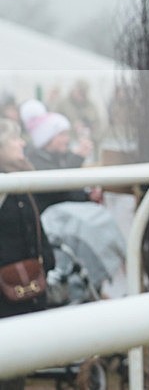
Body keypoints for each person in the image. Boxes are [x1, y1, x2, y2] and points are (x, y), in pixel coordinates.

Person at [0, 118, 56, 390]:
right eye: (15, 139)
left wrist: (47, 256)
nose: (23, 143)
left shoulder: (23, 178)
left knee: (16, 368)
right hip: (3, 296)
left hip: (25, 287)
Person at [23, 109, 98, 212]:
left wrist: (88, 195)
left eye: (67, 134)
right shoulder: (35, 162)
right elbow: (58, 189)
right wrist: (77, 158)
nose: (67, 139)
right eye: (62, 135)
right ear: (47, 138)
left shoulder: (61, 156)